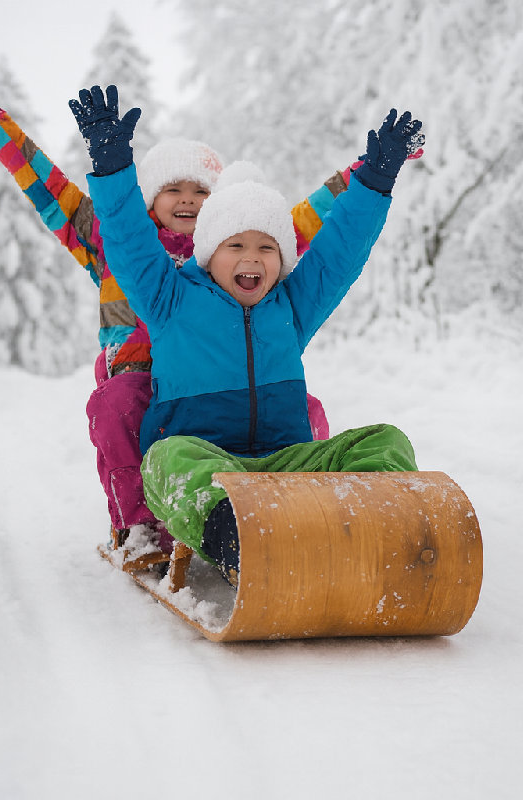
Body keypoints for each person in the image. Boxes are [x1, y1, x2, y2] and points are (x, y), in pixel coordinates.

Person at [0, 72, 383, 550]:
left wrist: (371, 169)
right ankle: (142, 525)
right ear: (148, 197)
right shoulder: (114, 236)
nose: (189, 199)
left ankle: (300, 500)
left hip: (217, 378)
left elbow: (316, 217)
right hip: (139, 376)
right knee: (117, 405)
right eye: (174, 189)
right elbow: (48, 188)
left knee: (305, 407)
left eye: (201, 191)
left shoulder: (237, 247)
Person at [71, 85, 425, 585]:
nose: (252, 258)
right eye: (235, 245)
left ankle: (382, 531)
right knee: (168, 459)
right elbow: (128, 241)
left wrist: (376, 180)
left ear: (282, 258)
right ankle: (240, 540)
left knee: (385, 441)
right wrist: (111, 168)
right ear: (207, 252)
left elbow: (341, 251)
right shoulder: (169, 300)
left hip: (286, 467)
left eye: (266, 247)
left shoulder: (292, 306)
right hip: (209, 465)